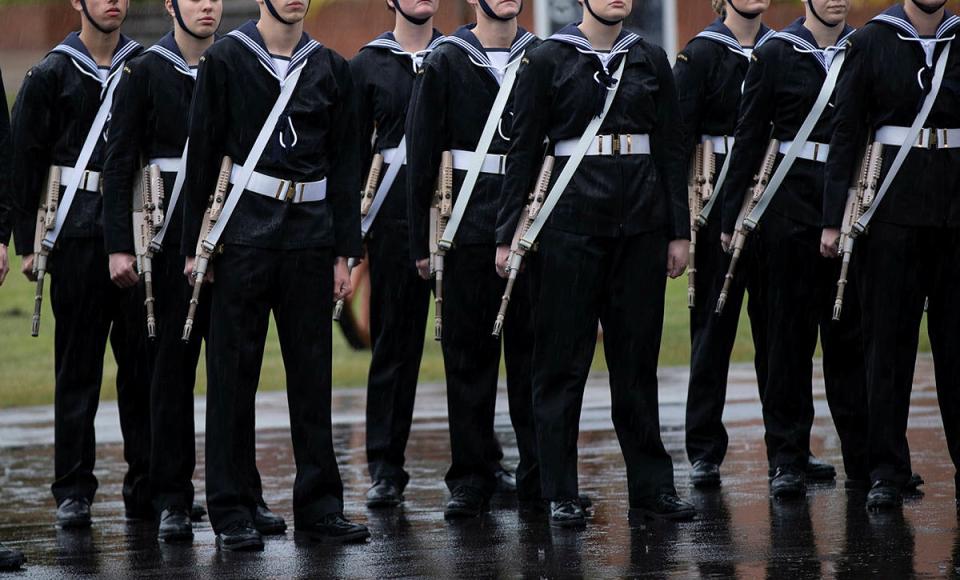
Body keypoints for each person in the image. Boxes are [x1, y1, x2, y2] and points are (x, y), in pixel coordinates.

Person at [497, 0, 695, 527]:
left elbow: (672, 148)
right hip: (569, 229)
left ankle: (652, 487)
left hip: (641, 229)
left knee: (637, 364)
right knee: (560, 366)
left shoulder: (651, 59)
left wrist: (679, 230)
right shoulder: (547, 60)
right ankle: (558, 490)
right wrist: (506, 232)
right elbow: (522, 149)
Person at [181, 0, 369, 550]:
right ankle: (232, 508)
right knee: (232, 376)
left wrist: (345, 251)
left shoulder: (332, 67)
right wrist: (198, 246)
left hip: (310, 238)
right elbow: (203, 153)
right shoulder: (227, 61)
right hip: (243, 237)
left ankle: (320, 506)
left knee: (313, 378)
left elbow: (345, 164)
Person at [720, 0, 869, 499]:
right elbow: (749, 135)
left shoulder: (862, 48)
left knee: (849, 340)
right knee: (786, 339)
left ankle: (865, 461)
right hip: (787, 206)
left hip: (846, 202)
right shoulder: (776, 52)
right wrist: (727, 215)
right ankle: (786, 457)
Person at [11, 0, 152, 529]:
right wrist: (28, 241)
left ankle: (148, 485)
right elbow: (26, 155)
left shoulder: (143, 67)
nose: (112, 2)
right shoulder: (51, 73)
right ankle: (73, 488)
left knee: (142, 367)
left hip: (134, 232)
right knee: (78, 370)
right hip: (74, 238)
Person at [406, 0, 540, 519]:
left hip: (528, 225)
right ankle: (470, 476)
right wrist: (422, 242)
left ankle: (538, 474)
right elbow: (423, 151)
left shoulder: (540, 57)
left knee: (532, 359)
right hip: (465, 225)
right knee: (468, 361)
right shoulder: (445, 60)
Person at [823, 0, 960, 510]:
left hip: (954, 211)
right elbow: (847, 132)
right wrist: (833, 217)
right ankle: (885, 467)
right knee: (886, 346)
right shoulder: (871, 42)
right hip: (889, 214)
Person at [674, 0, 776, 489]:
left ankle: (787, 450)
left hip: (775, 200)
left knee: (780, 337)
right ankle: (704, 449)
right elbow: (676, 142)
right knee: (712, 331)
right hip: (715, 202)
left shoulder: (783, 49)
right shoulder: (701, 56)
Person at [350, 0, 442, 510]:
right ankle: (385, 467)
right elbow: (351, 154)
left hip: (455, 216)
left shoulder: (458, 57)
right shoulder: (366, 65)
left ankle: (482, 462)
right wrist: (350, 236)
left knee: (471, 348)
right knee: (394, 347)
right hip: (392, 224)